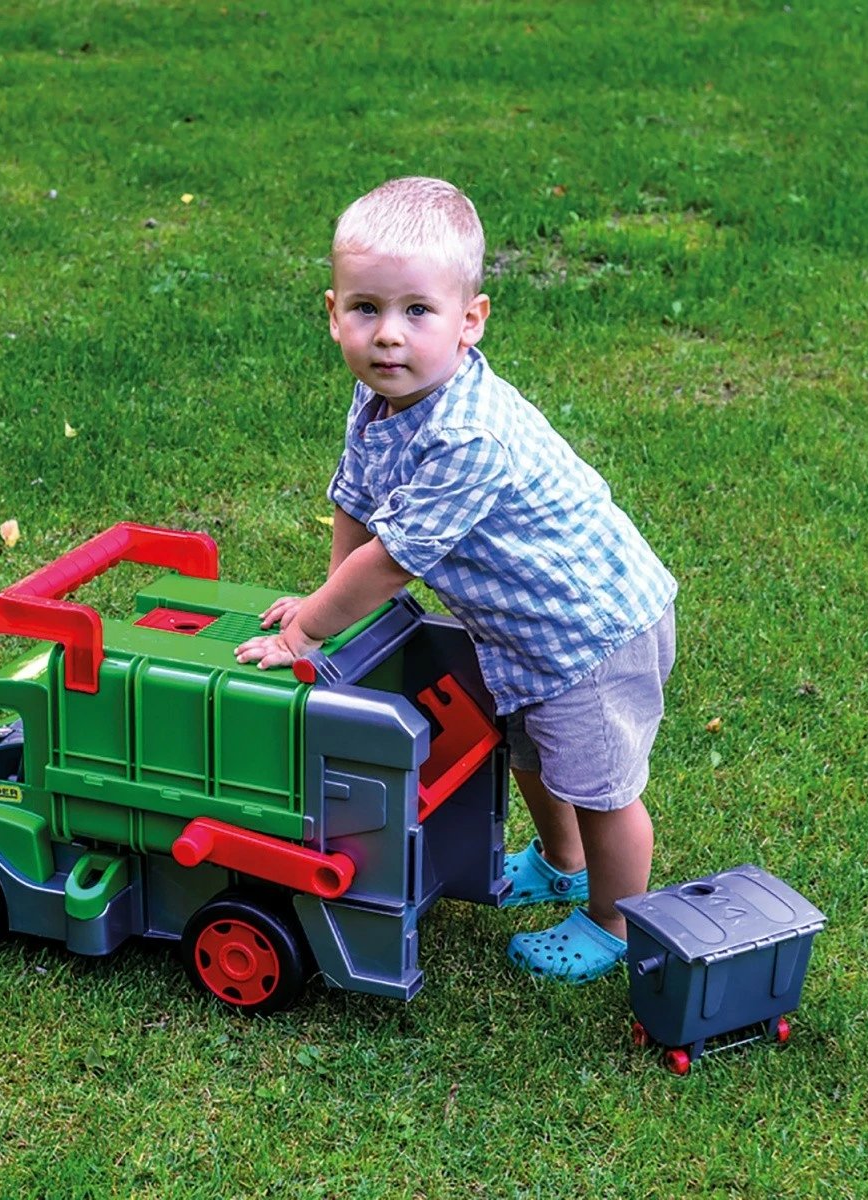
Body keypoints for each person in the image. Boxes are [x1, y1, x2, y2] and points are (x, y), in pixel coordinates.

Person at [234, 177, 676, 983]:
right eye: (365, 309)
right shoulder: (377, 402)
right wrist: (333, 598)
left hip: (592, 632)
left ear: (469, 321)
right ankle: (562, 862)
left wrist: (305, 632)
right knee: (529, 755)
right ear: (331, 312)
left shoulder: (466, 435)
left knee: (601, 787)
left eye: (417, 312)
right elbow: (355, 504)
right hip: (522, 633)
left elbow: (394, 558)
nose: (388, 336)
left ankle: (613, 920)